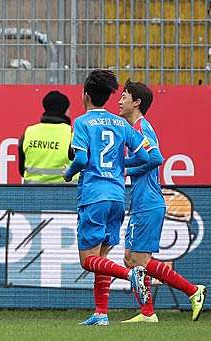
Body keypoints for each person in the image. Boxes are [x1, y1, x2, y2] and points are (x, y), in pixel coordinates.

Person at [63, 69, 151, 326]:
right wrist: (120, 165)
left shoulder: (81, 122)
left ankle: (129, 275)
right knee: (101, 259)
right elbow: (146, 156)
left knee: (87, 261)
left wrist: (68, 174)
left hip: (94, 195)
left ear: (86, 95)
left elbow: (80, 158)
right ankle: (101, 314)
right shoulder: (121, 123)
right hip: (117, 195)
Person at [117, 80, 206, 323]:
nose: (119, 100)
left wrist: (122, 167)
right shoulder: (134, 129)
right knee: (129, 258)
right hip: (141, 202)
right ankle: (147, 313)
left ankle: (192, 290)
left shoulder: (142, 129)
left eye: (124, 96)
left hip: (148, 202)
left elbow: (156, 158)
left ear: (137, 102)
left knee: (141, 260)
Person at [18, 91, 76, 184]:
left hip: (32, 194)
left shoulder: (29, 132)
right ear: (65, 110)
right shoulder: (71, 133)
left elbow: (22, 170)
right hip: (65, 194)